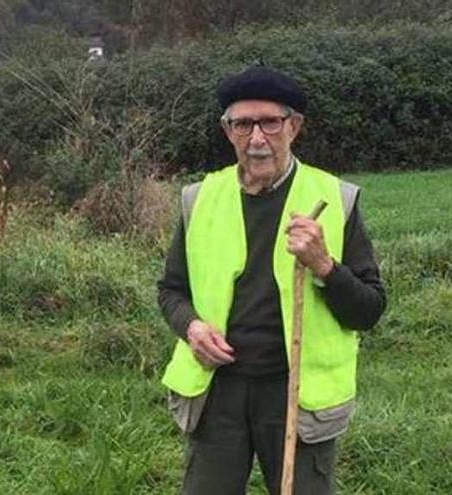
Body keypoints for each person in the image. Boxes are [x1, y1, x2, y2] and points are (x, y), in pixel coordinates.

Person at [157, 66, 386, 494]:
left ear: (294, 126)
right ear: (228, 131)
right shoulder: (199, 199)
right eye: (243, 124)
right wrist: (191, 327)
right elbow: (171, 290)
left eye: (270, 122)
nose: (257, 139)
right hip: (217, 391)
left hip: (297, 394)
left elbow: (369, 310)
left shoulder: (337, 199)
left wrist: (324, 267)